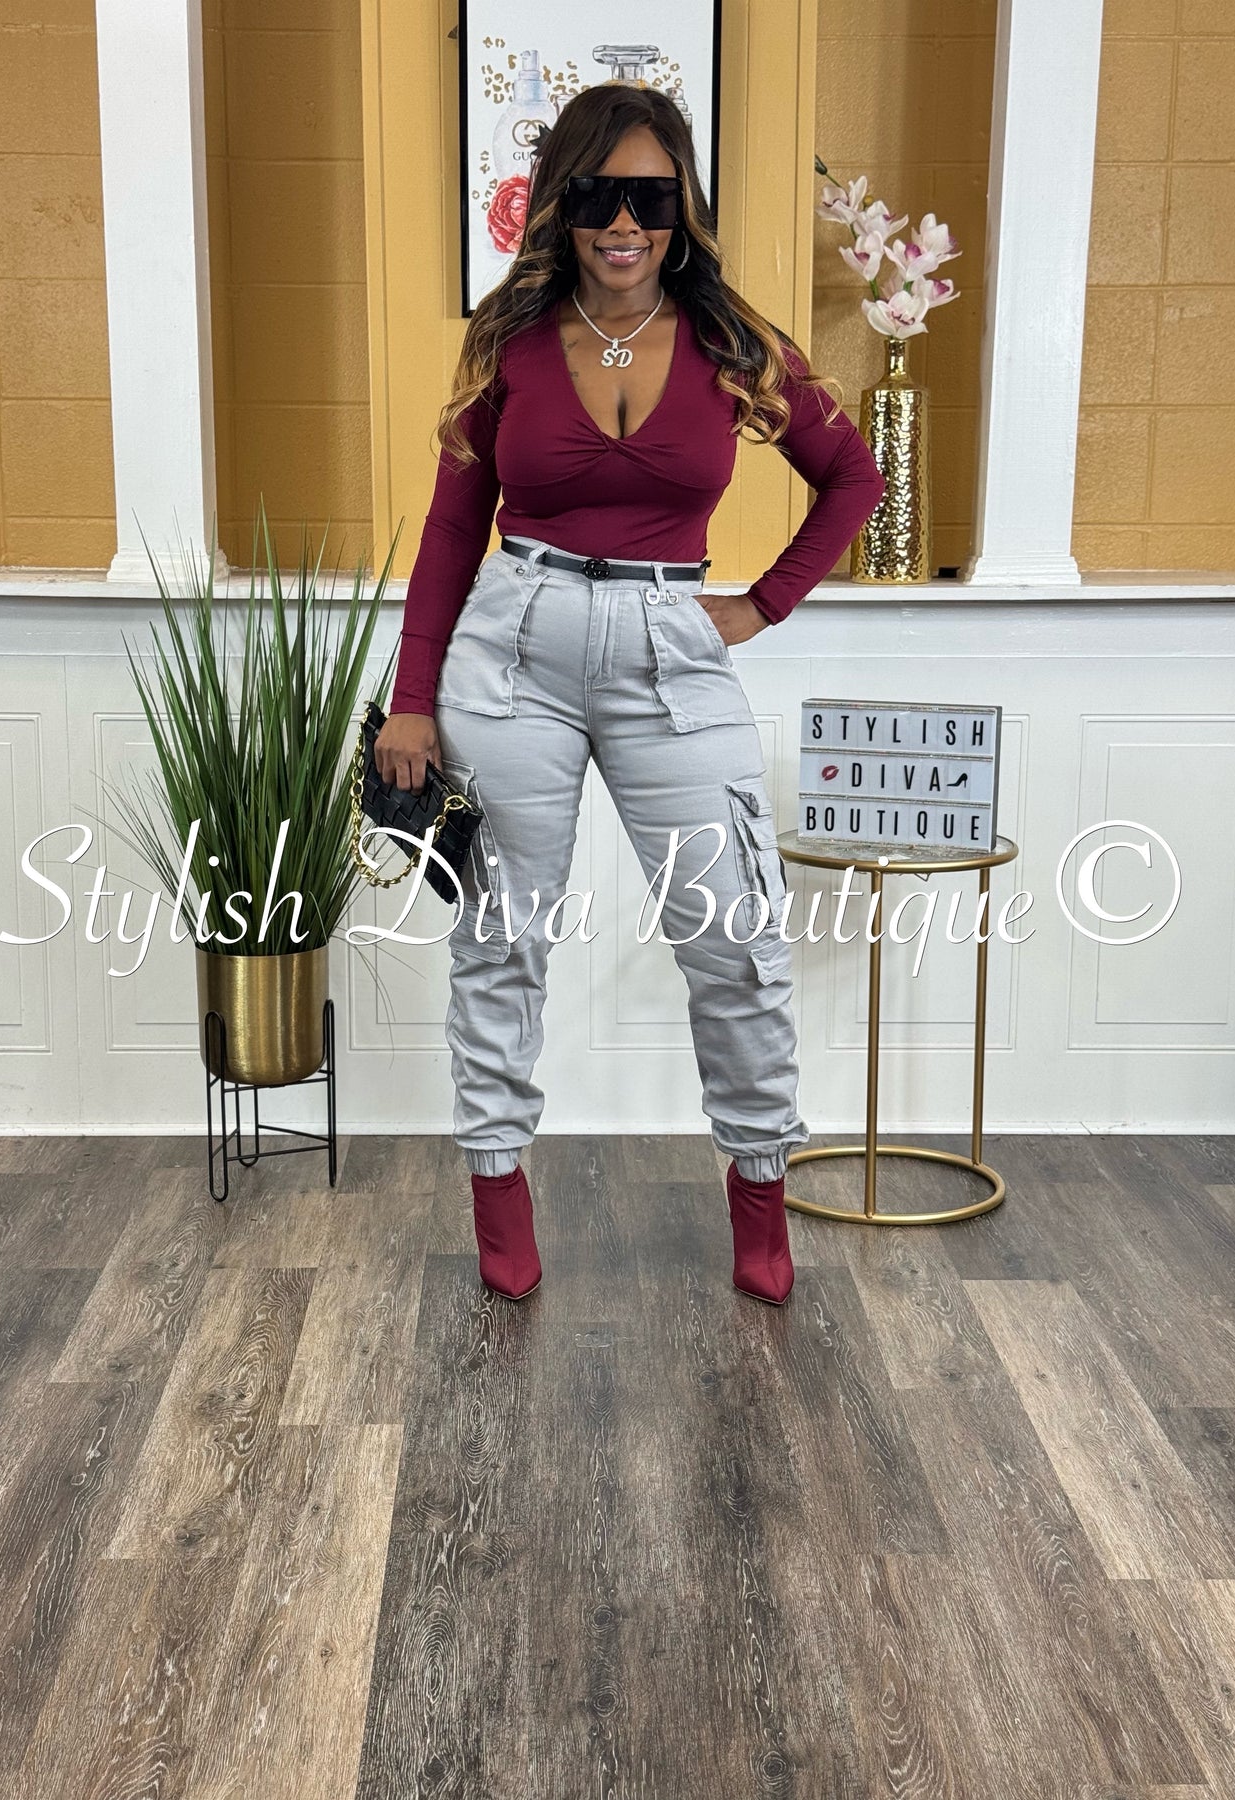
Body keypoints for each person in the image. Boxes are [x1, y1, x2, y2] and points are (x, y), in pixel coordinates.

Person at [375, 83, 885, 1306]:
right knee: (501, 940)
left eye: (649, 198)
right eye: (599, 195)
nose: (622, 223)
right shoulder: (510, 342)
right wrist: (411, 698)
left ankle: (759, 1197)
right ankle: (499, 1194)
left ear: (681, 208)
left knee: (736, 940)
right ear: (563, 203)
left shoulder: (734, 346)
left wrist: (762, 605)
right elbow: (451, 530)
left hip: (671, 647)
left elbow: (851, 477)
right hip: (515, 651)